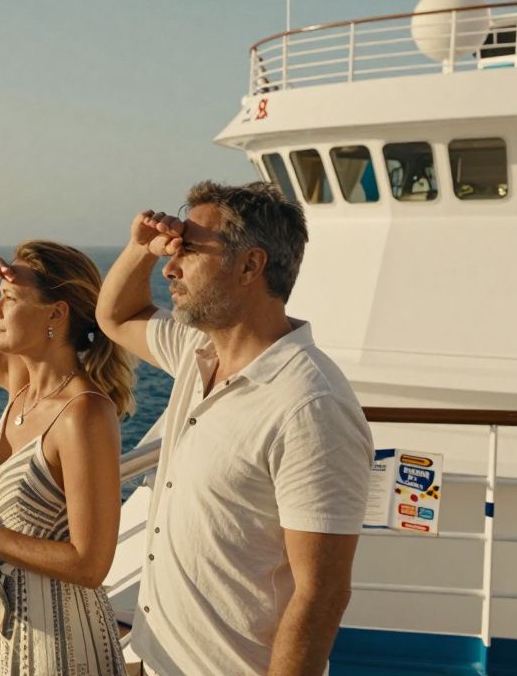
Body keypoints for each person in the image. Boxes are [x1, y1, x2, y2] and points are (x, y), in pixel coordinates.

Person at [95, 181, 375, 676]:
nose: (169, 267)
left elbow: (322, 593)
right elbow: (116, 315)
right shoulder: (197, 352)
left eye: (189, 251)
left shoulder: (310, 404)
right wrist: (141, 245)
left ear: (251, 265)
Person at [0, 240, 132, 675]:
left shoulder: (84, 413)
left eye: (8, 299)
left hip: (58, 636)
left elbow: (90, 564)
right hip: (2, 621)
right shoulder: (20, 384)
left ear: (56, 314)